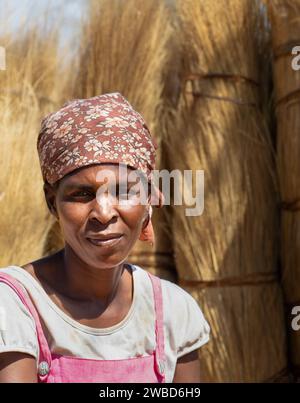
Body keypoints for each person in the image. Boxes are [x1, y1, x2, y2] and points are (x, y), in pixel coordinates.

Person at [0, 92, 210, 383]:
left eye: (123, 191)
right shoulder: (15, 305)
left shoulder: (174, 312)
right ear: (52, 202)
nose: (103, 212)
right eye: (82, 194)